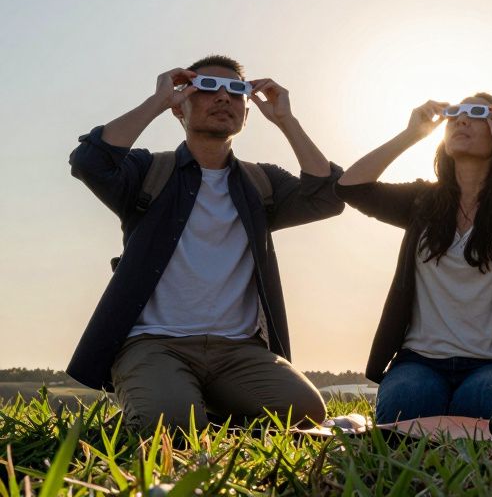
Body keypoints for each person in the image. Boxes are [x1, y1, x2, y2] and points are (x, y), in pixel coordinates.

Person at [68, 56, 342, 431]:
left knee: (305, 410)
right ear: (180, 108)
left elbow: (328, 197)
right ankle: (166, 400)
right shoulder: (149, 172)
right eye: (208, 88)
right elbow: (90, 161)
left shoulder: (261, 183)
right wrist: (159, 100)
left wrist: (285, 121)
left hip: (238, 351)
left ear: (247, 114)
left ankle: (199, 409)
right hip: (153, 343)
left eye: (236, 91)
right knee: (171, 424)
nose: (224, 98)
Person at [336, 95, 492, 423]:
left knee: (487, 400)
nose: (461, 120)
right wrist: (413, 133)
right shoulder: (422, 200)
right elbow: (351, 187)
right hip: (419, 361)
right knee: (408, 402)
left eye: (476, 114)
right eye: (455, 114)